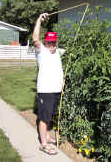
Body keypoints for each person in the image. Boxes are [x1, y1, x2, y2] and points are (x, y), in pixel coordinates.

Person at [32, 13, 64, 155]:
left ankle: (47, 136)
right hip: (46, 91)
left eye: (54, 42)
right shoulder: (42, 52)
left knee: (49, 115)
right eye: (49, 42)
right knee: (44, 117)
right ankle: (44, 144)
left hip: (56, 91)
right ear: (45, 43)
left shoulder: (58, 52)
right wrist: (39, 20)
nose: (51, 44)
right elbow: (35, 39)